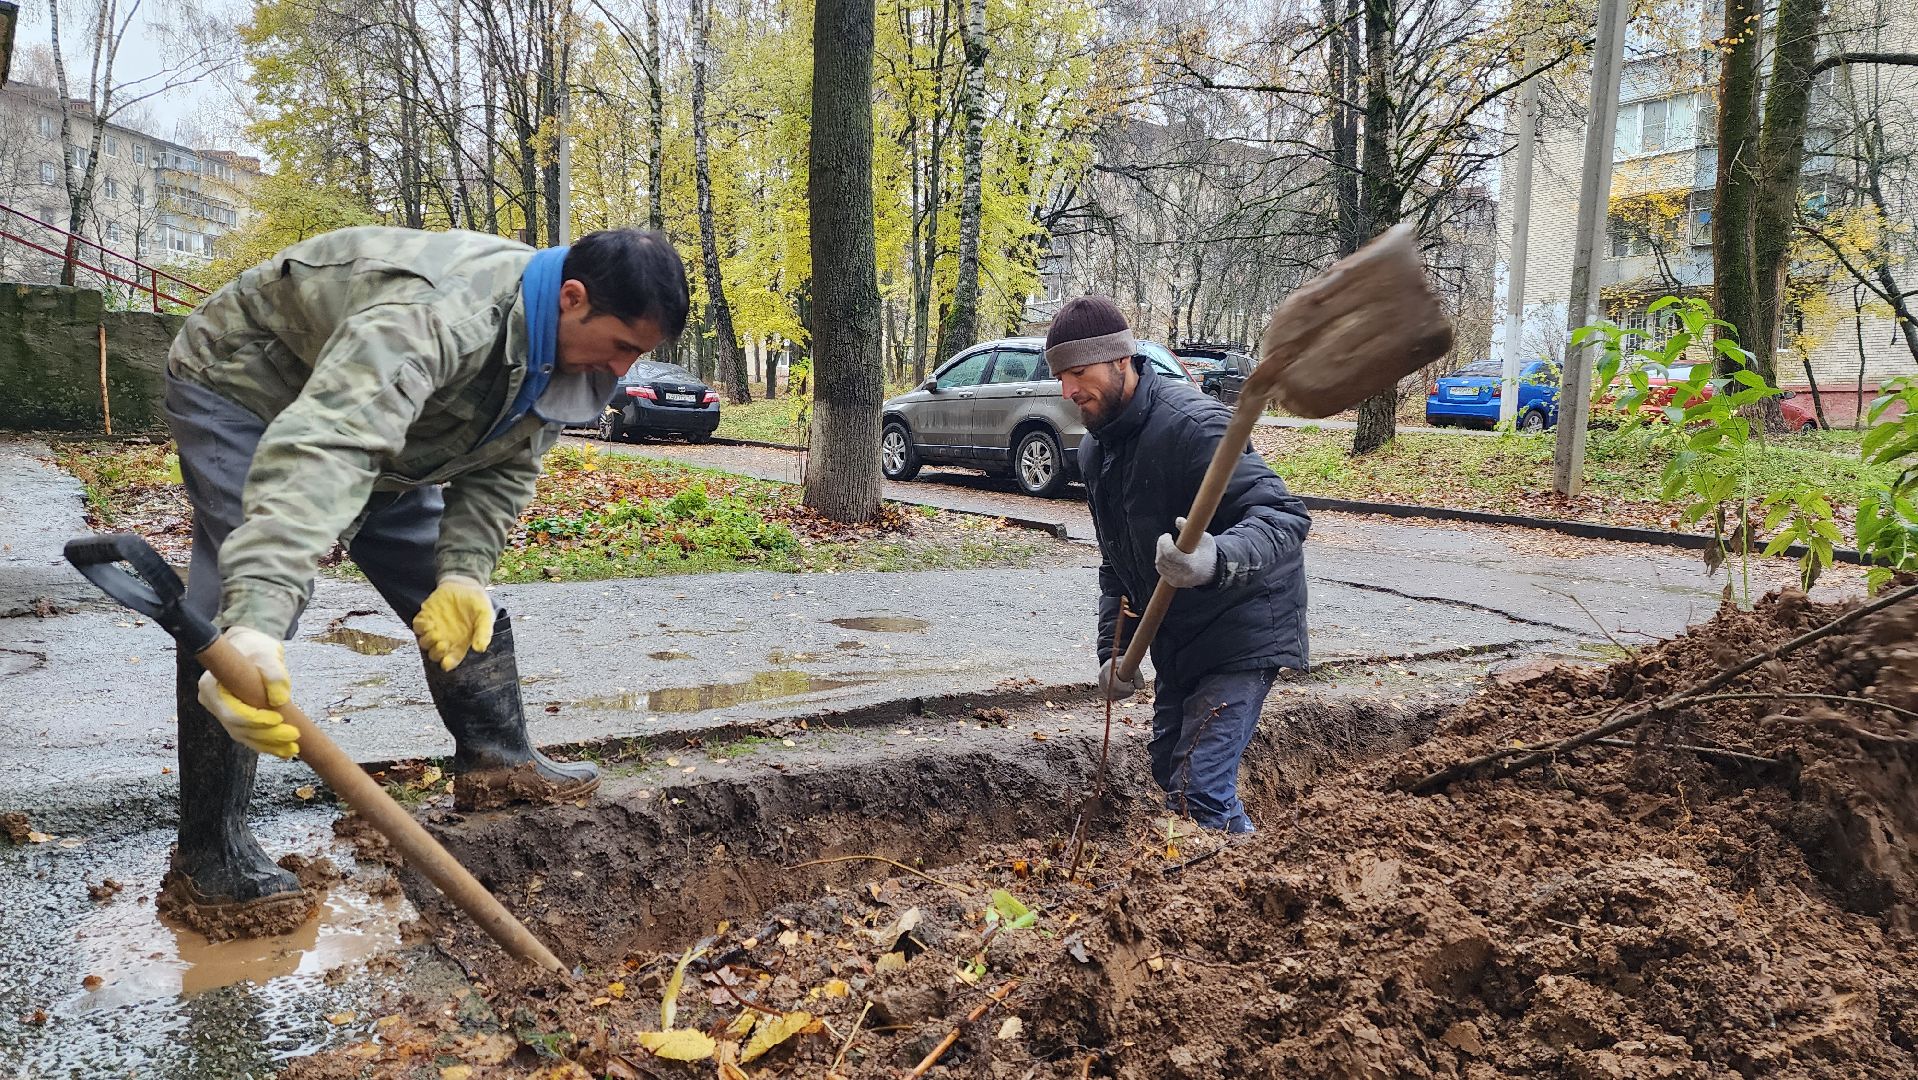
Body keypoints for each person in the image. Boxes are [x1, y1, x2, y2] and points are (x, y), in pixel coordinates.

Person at [164, 225, 689, 913]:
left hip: (407, 431)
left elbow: (505, 468)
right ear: (572, 297)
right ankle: (211, 851)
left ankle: (501, 764)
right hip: (252, 389)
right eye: (624, 347)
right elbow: (331, 448)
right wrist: (256, 618)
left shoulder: (562, 354)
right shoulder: (439, 313)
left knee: (452, 596)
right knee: (239, 607)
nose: (622, 372)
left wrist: (465, 572)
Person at [1050, 295, 1311, 835]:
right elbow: (1116, 565)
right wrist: (1116, 653)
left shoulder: (1193, 425)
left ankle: (1249, 889)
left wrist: (1216, 558)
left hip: (1243, 626)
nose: (1068, 390)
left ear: (1121, 360)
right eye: (1060, 377)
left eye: (1078, 372)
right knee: (1170, 769)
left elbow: (1284, 517)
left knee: (1199, 788)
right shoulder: (1096, 452)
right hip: (1179, 636)